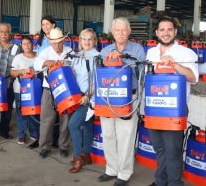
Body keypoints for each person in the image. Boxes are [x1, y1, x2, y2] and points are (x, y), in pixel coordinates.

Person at [146, 16, 198, 186]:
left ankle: (175, 183)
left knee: (173, 150)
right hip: (154, 107)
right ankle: (161, 181)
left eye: (169, 29)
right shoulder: (151, 52)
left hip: (174, 109)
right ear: (156, 32)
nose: (166, 33)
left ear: (175, 32)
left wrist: (175, 65)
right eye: (162, 30)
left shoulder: (185, 52)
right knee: (159, 148)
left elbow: (193, 77)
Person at [98, 17, 145, 186]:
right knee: (108, 134)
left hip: (128, 98)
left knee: (126, 136)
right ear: (112, 32)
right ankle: (111, 168)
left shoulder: (137, 49)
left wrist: (122, 59)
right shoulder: (104, 51)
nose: (121, 33)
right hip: (108, 98)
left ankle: (124, 173)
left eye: (124, 30)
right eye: (117, 30)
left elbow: (141, 73)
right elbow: (101, 73)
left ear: (129, 31)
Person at [33, 27, 72, 158]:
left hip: (66, 90)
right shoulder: (45, 52)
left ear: (63, 40)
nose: (57, 45)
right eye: (54, 42)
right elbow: (36, 65)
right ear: (50, 42)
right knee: (46, 119)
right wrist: (45, 62)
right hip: (48, 89)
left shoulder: (70, 51)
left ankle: (64, 146)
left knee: (65, 119)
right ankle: (44, 146)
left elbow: (75, 69)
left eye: (59, 42)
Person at [68, 28, 99, 173]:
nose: (86, 41)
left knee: (73, 125)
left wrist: (87, 96)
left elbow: (97, 80)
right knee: (86, 125)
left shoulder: (97, 57)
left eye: (90, 39)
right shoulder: (76, 55)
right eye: (83, 38)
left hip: (88, 99)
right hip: (76, 97)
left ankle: (77, 157)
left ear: (95, 41)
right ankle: (86, 155)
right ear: (80, 40)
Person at [10, 36, 39, 145]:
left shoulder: (38, 56)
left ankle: (34, 132)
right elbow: (12, 73)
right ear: (21, 46)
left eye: (29, 43)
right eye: (24, 44)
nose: (27, 46)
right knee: (21, 112)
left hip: (35, 90)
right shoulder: (18, 57)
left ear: (33, 44)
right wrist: (23, 71)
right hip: (20, 89)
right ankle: (21, 135)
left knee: (34, 111)